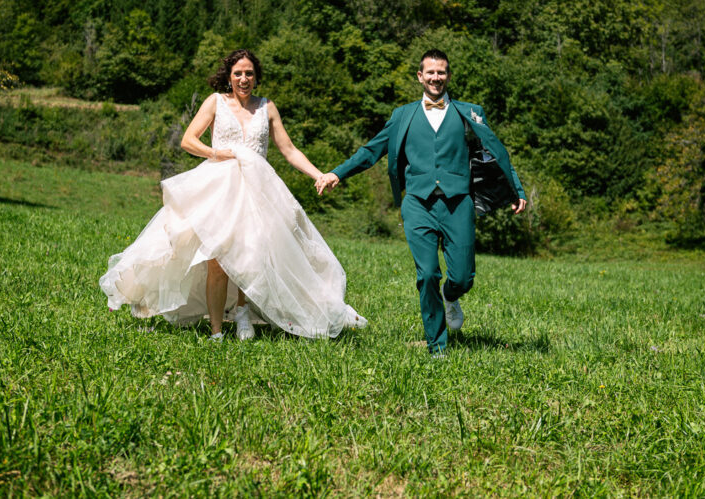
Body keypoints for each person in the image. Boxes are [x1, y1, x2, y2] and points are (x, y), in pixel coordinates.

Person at [101, 49, 366, 340]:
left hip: (258, 190)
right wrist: (217, 153)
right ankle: (216, 331)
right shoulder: (216, 102)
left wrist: (318, 174)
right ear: (229, 76)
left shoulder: (267, 108)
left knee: (249, 253)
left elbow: (288, 150)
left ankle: (242, 314)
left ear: (256, 78)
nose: (243, 78)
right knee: (216, 258)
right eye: (238, 73)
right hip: (220, 189)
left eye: (249, 73)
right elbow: (189, 140)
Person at [317, 49, 526, 356]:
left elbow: (494, 151)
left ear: (448, 76)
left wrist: (516, 190)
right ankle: (437, 346)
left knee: (463, 277)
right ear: (420, 77)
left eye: (441, 72)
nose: (436, 77)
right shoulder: (402, 116)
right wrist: (337, 173)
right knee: (427, 274)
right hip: (417, 204)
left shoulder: (469, 112)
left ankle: (451, 296)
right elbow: (371, 150)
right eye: (430, 72)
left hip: (458, 203)